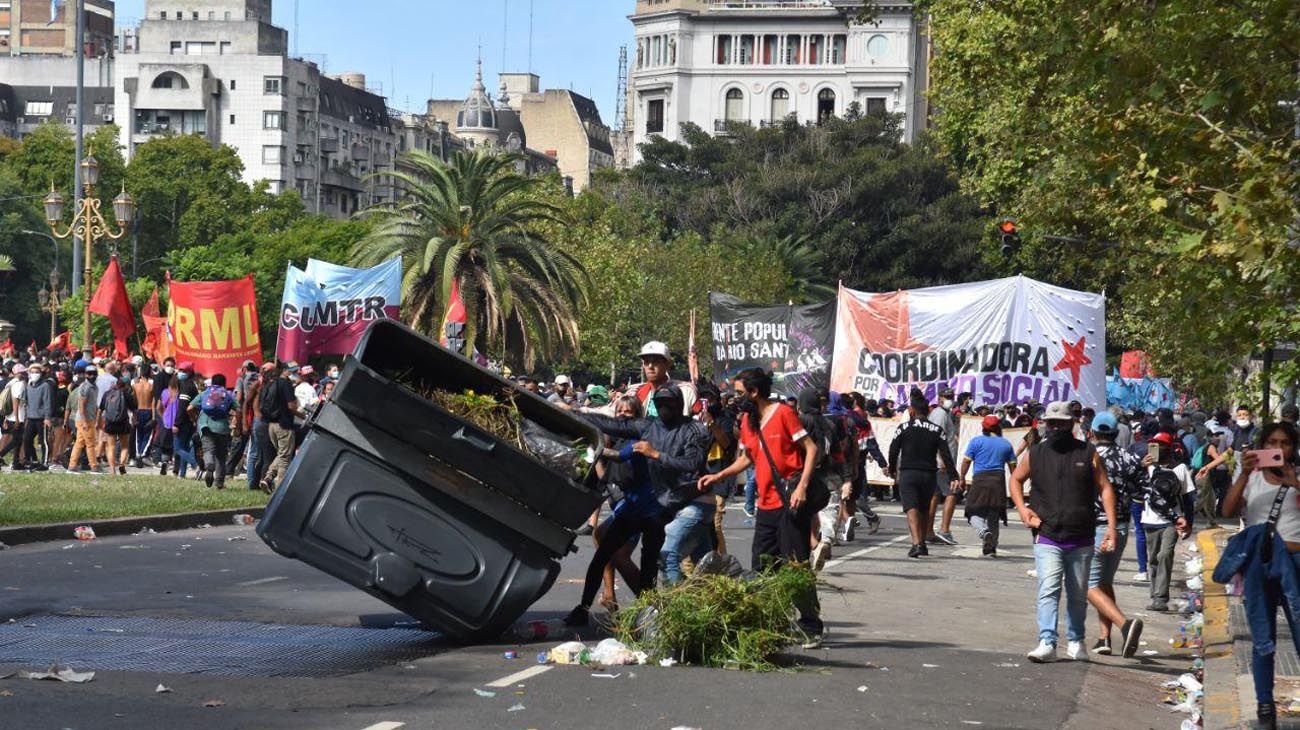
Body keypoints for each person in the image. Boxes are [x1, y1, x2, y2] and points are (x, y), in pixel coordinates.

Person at [564, 384, 708, 626]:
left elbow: (693, 463)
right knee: (602, 555)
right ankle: (584, 607)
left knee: (652, 561)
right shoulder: (648, 426)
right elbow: (612, 426)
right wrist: (574, 412)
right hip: (635, 505)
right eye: (660, 403)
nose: (664, 408)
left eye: (669, 404)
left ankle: (648, 614)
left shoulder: (692, 430)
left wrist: (656, 455)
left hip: (666, 506)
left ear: (679, 405)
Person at [700, 369, 823, 648]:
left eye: (740, 393)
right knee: (762, 565)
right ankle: (770, 620)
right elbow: (746, 458)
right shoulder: (747, 421)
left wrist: (802, 486)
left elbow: (811, 448)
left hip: (790, 502)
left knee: (796, 564)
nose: (735, 398)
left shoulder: (783, 413)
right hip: (765, 506)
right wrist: (718, 476)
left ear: (754, 392)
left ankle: (811, 624)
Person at [1009, 401, 1119, 663]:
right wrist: (1023, 510)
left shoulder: (1087, 452)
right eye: (1052, 422)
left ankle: (1076, 640)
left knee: (1078, 593)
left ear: (1073, 424)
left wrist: (1112, 528)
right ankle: (1047, 641)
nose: (1056, 427)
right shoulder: (1036, 453)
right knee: (1048, 588)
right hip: (1047, 533)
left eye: (1061, 423)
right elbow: (1015, 479)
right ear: (1045, 424)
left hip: (1081, 535)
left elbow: (1105, 488)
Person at [1219, 421, 1300, 730]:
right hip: (1260, 563)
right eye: (1273, 442)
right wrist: (1242, 473)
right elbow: (1227, 510)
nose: (1279, 448)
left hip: (1295, 560)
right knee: (1262, 637)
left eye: (1286, 443)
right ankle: (1265, 706)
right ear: (1263, 446)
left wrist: (1295, 483)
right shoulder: (1251, 478)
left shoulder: (1298, 476)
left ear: (1294, 447)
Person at [1086, 412, 1146, 657]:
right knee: (1103, 583)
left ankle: (1125, 624)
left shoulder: (1089, 457)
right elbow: (1142, 492)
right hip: (1120, 526)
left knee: (1086, 585)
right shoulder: (1130, 458)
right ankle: (1104, 639)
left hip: (1097, 527)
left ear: (1091, 433)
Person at [888, 392, 959, 559]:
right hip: (928, 474)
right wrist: (953, 475)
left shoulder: (904, 428)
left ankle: (917, 543)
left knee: (911, 507)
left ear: (912, 411)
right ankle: (923, 542)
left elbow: (893, 449)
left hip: (909, 472)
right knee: (924, 507)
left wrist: (892, 469)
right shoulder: (937, 430)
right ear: (927, 411)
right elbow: (946, 454)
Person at [1141, 431, 1192, 612]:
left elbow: (1187, 498)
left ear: (1169, 448)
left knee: (1165, 555)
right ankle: (1155, 595)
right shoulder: (1147, 466)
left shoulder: (1180, 468)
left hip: (1172, 520)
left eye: (1160, 445)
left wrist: (1189, 522)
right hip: (1149, 520)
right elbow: (1136, 490)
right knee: (1153, 559)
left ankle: (1161, 597)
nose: (1156, 448)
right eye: (1153, 445)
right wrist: (1141, 467)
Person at [957, 415, 1018, 556]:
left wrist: (962, 477)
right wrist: (1015, 485)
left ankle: (984, 532)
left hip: (980, 480)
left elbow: (966, 462)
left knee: (972, 511)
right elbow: (1013, 468)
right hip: (998, 481)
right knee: (994, 514)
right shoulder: (1006, 444)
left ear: (983, 427)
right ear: (998, 427)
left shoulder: (976, 442)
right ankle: (992, 547)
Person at [927, 387, 962, 545]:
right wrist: (940, 459)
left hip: (940, 461)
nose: (949, 398)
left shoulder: (943, 413)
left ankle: (928, 531)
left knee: (934, 496)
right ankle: (944, 530)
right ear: (939, 397)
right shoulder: (940, 414)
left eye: (951, 396)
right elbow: (936, 436)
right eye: (946, 396)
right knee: (952, 493)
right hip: (942, 462)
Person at [259, 363, 300, 492]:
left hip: (271, 425)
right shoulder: (285, 384)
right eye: (291, 371)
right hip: (284, 425)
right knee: (285, 459)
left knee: (282, 454)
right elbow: (291, 406)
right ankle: (280, 490)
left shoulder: (270, 383)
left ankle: (268, 478)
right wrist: (303, 415)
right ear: (283, 370)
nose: (293, 373)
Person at [190, 373, 235, 489]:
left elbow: (189, 408)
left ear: (212, 382)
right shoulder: (228, 395)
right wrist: (237, 423)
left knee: (208, 450)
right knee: (221, 456)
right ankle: (219, 483)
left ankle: (209, 466)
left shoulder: (205, 393)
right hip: (222, 428)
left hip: (206, 426)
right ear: (224, 384)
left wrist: (195, 419)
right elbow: (238, 410)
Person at [100, 370, 137, 476]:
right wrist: (134, 420)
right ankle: (122, 465)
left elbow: (100, 409)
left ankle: (112, 470)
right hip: (123, 422)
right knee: (125, 446)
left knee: (110, 446)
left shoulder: (108, 393)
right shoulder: (126, 394)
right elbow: (134, 409)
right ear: (125, 385)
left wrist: (99, 422)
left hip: (110, 422)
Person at [18, 364, 53, 471]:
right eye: (32, 372)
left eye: (37, 372)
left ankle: (45, 463)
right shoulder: (28, 386)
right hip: (31, 417)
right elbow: (25, 401)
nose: (34, 374)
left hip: (42, 418)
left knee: (44, 441)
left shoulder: (45, 386)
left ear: (41, 373)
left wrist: (47, 417)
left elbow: (47, 402)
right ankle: (34, 460)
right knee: (27, 439)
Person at [67, 365, 100, 473]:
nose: (92, 376)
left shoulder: (94, 387)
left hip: (90, 418)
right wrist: (84, 422)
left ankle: (72, 465)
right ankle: (93, 466)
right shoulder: (85, 387)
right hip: (83, 419)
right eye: (89, 373)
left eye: (94, 374)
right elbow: (81, 406)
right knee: (90, 443)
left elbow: (94, 405)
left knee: (79, 443)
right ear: (85, 374)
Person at [0, 363, 27, 468]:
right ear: (19, 373)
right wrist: (17, 418)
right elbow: (15, 401)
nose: (24, 374)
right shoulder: (19, 384)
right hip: (17, 417)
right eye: (23, 372)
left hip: (10, 416)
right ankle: (2, 455)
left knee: (18, 441)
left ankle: (16, 462)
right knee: (16, 440)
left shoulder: (10, 383)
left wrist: (6, 418)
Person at [131, 367, 155, 468]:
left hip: (139, 410)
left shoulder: (135, 386)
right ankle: (143, 454)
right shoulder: (151, 386)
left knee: (138, 434)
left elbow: (134, 400)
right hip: (148, 410)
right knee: (147, 434)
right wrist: (154, 417)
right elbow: (153, 402)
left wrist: (134, 413)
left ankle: (138, 454)